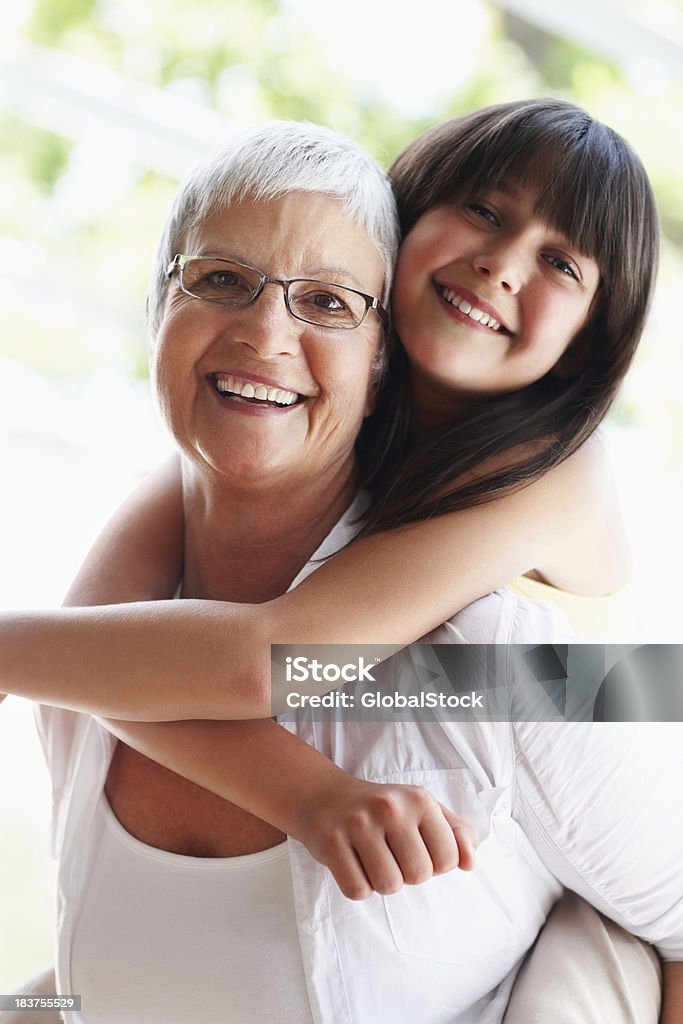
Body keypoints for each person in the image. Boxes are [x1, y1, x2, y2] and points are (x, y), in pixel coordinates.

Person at [1, 110, 681, 1022]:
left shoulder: (556, 480)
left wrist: (316, 798)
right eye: (481, 209)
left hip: (608, 693)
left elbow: (265, 661)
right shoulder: (221, 468)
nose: (503, 262)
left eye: (325, 299)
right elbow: (84, 664)